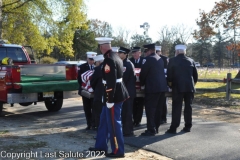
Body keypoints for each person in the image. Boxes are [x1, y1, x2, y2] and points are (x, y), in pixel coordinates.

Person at [89, 37, 129, 158]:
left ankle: (118, 150)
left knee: (113, 124)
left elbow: (111, 82)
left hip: (113, 96)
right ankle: (101, 147)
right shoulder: (115, 56)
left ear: (102, 47)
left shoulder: (109, 60)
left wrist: (109, 100)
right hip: (113, 94)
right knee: (104, 122)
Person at [166, 44, 198, 134]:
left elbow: (169, 76)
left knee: (177, 108)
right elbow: (195, 76)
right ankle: (188, 126)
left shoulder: (172, 61)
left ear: (176, 52)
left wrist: (170, 85)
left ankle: (174, 127)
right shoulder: (191, 61)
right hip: (189, 88)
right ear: (185, 52)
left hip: (177, 87)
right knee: (188, 107)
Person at [140, 43, 168, 136]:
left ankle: (151, 129)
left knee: (150, 109)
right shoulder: (160, 58)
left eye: (146, 51)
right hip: (161, 87)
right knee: (158, 109)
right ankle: (156, 127)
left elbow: (143, 74)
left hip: (152, 88)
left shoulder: (148, 59)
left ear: (150, 50)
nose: (145, 53)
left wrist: (142, 83)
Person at [118, 46, 136, 137]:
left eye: (120, 53)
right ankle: (127, 130)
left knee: (127, 112)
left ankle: (128, 131)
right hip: (127, 91)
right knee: (125, 112)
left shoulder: (126, 64)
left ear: (125, 54)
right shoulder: (126, 63)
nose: (118, 54)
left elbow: (122, 78)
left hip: (127, 92)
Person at [78, 52, 97, 130]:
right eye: (90, 59)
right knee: (87, 108)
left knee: (94, 108)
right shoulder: (82, 67)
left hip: (94, 91)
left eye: (93, 60)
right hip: (85, 91)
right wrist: (85, 87)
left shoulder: (97, 67)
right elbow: (79, 79)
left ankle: (94, 124)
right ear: (87, 59)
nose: (92, 61)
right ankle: (89, 124)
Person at [129, 47, 145, 127]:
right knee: (133, 104)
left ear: (140, 53)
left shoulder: (144, 61)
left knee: (140, 105)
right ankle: (133, 119)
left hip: (141, 87)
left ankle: (138, 120)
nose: (134, 54)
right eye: (133, 53)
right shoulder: (130, 61)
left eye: (136, 52)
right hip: (132, 87)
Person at [90, 55, 104, 130]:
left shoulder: (98, 69)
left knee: (98, 112)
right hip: (108, 94)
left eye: (96, 62)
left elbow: (93, 82)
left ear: (99, 62)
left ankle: (100, 130)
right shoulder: (109, 68)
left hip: (99, 94)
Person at [156, 46, 169, 124]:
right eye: (156, 51)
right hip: (156, 83)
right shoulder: (153, 58)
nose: (158, 53)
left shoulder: (165, 59)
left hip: (164, 82)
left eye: (159, 51)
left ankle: (163, 118)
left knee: (164, 103)